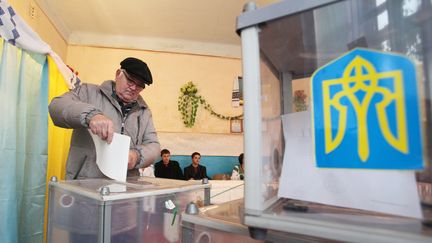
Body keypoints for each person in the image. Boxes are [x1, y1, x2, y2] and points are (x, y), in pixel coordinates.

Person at [49, 57, 160, 179]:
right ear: (118, 74)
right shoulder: (88, 92)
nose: (133, 88)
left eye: (139, 86)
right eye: (130, 81)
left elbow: (153, 145)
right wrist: (91, 115)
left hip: (125, 186)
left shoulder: (144, 112)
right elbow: (56, 106)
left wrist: (136, 156)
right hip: (84, 184)